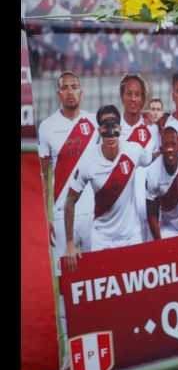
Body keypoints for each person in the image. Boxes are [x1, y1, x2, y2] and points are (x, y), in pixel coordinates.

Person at [63, 105, 152, 270]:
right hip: (102, 240)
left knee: (136, 291)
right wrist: (70, 243)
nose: (111, 132)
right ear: (99, 130)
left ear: (120, 128)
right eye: (106, 126)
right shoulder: (87, 161)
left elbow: (153, 158)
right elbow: (70, 201)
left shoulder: (134, 150)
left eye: (114, 125)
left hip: (131, 237)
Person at [37, 71, 98, 266]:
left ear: (81, 92)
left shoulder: (95, 122)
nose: (70, 91)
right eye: (65, 87)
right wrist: (43, 218)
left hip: (94, 214)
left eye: (74, 87)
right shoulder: (47, 127)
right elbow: (43, 177)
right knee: (66, 280)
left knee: (96, 277)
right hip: (62, 215)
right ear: (58, 94)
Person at [118, 73, 159, 242]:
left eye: (137, 95)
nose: (133, 99)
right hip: (122, 219)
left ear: (143, 99)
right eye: (129, 94)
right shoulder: (113, 131)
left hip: (151, 212)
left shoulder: (153, 130)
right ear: (122, 97)